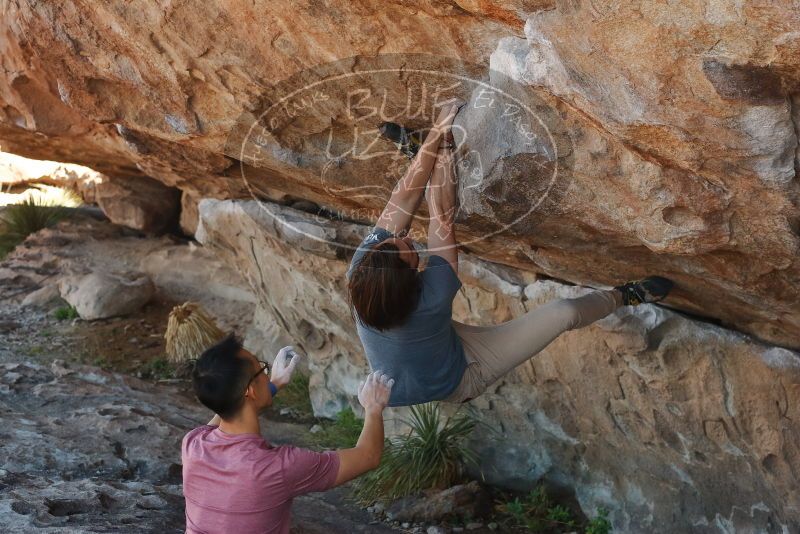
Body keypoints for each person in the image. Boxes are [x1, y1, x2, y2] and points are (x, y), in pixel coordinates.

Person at [347, 101, 673, 407]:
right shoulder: (432, 297)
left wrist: (437, 131)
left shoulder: (365, 264)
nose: (404, 238)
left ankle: (420, 157)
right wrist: (443, 140)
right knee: (564, 313)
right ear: (413, 280)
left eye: (394, 240)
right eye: (410, 248)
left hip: (428, 340)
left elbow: (403, 197)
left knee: (416, 194)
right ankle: (625, 296)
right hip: (460, 377)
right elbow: (442, 217)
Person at [181, 333, 394, 534]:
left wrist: (273, 384)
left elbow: (227, 406)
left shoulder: (193, 445)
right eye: (262, 369)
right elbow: (368, 456)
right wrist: (373, 407)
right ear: (251, 391)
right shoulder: (278, 468)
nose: (267, 373)